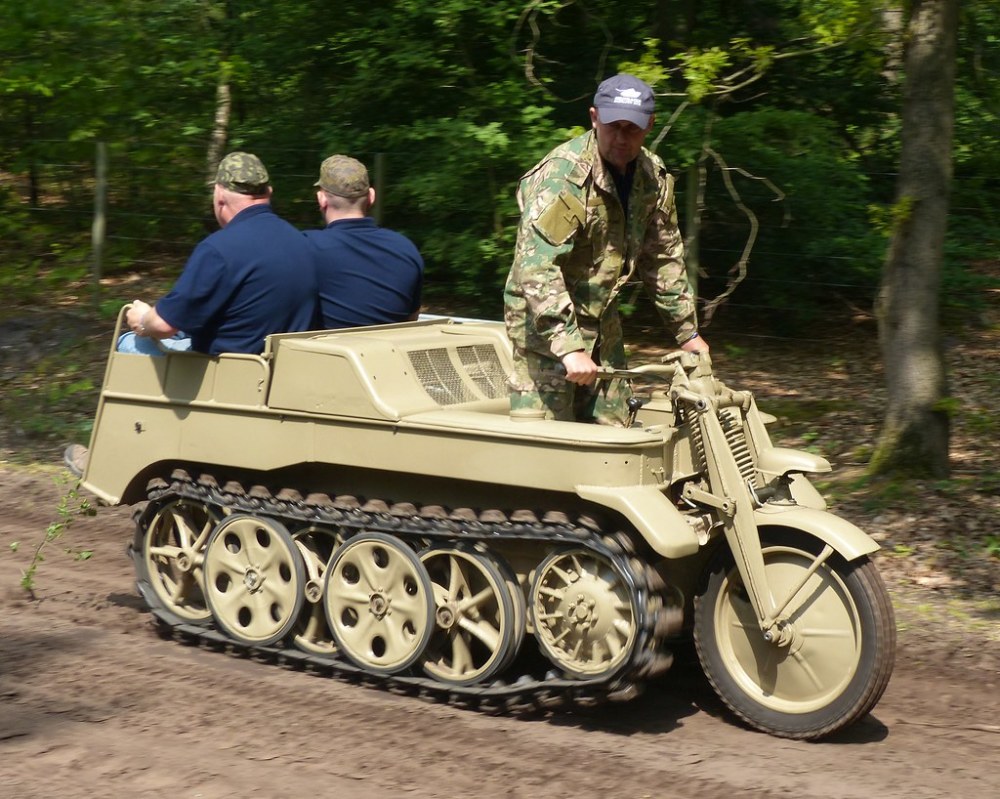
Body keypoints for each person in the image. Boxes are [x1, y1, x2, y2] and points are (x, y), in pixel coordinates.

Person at [503, 73, 709, 427]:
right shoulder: (564, 177)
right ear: (595, 117)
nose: (621, 138)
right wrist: (568, 347)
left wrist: (687, 333)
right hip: (543, 331)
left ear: (649, 126)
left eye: (633, 129)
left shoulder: (652, 177)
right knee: (545, 444)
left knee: (615, 435)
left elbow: (663, 259)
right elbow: (536, 268)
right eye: (614, 125)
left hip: (602, 324)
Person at [118, 151, 320, 356]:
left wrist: (143, 320)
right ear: (268, 192)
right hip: (283, 368)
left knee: (129, 343)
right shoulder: (302, 242)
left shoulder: (219, 250)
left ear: (220, 195)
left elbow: (163, 326)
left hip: (226, 373)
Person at [305, 154, 423, 329]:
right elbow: (411, 318)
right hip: (387, 354)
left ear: (321, 199)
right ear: (371, 196)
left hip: (329, 354)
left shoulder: (305, 248)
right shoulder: (405, 248)